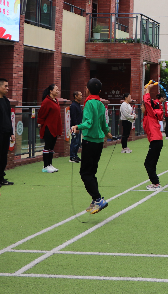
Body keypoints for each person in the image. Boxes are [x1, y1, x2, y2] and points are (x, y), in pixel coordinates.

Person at [70, 78, 113, 213]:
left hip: (89, 141)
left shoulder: (89, 103)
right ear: (99, 91)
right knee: (92, 172)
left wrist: (77, 126)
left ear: (87, 90)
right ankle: (96, 200)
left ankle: (98, 199)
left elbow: (88, 123)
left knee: (85, 173)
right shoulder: (100, 104)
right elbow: (104, 123)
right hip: (99, 142)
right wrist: (108, 133)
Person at [141, 81, 164, 189]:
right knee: (151, 163)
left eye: (142, 106)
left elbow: (146, 101)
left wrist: (148, 90)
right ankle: (155, 182)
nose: (141, 107)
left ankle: (155, 183)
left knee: (148, 163)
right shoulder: (148, 114)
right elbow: (146, 101)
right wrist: (145, 90)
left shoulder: (150, 113)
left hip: (156, 141)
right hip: (156, 141)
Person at [38, 84, 62, 174]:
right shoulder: (46, 101)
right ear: (51, 91)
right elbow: (41, 113)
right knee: (47, 147)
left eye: (58, 89)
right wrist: (40, 122)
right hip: (48, 127)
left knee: (52, 147)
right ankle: (45, 166)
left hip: (55, 127)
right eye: (56, 89)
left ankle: (50, 164)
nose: (57, 91)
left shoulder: (56, 101)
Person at [68, 91, 83, 163]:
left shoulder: (78, 105)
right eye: (80, 95)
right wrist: (75, 127)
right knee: (74, 141)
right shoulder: (73, 105)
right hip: (75, 126)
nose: (81, 96)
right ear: (76, 96)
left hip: (79, 126)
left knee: (78, 142)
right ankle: (72, 157)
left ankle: (75, 155)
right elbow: (73, 117)